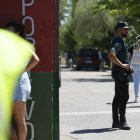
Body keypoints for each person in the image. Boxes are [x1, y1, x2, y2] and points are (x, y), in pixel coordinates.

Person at [5, 21, 39, 140]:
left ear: (17, 33)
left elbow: (36, 59)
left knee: (19, 119)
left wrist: (23, 70)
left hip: (20, 84)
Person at [108, 21, 132, 130]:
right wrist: (122, 65)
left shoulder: (120, 41)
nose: (126, 30)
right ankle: (122, 121)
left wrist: (127, 65)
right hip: (120, 73)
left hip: (119, 72)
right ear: (118, 30)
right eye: (124, 29)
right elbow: (111, 55)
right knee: (124, 96)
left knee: (118, 97)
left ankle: (115, 122)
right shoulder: (118, 41)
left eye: (127, 29)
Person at [130, 36, 140, 103]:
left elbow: (128, 57)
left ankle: (136, 97)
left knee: (136, 82)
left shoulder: (131, 47)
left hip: (133, 65)